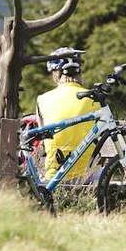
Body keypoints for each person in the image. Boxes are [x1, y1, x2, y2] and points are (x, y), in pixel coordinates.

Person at [36, 47, 99, 180]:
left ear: (56, 73)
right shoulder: (94, 99)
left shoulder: (42, 99)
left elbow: (43, 138)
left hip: (53, 177)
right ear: (79, 71)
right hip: (87, 176)